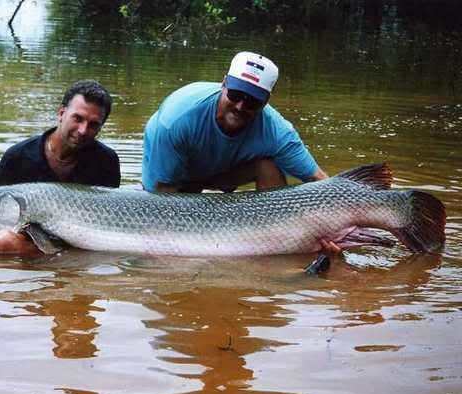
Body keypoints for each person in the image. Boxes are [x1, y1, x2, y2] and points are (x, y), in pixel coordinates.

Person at [141, 51, 340, 253]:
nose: (240, 106)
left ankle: (277, 238)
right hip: (171, 177)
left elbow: (320, 181)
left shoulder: (277, 131)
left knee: (267, 164)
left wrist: (334, 229)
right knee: (162, 238)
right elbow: (163, 198)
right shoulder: (175, 120)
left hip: (220, 171)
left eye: (252, 101)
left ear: (266, 101)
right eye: (235, 95)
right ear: (224, 83)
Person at [0, 79, 120, 254]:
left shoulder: (107, 161)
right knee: (2, 242)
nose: (82, 130)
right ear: (61, 113)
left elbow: (107, 221)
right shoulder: (17, 157)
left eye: (93, 124)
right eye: (78, 118)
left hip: (81, 241)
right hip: (30, 242)